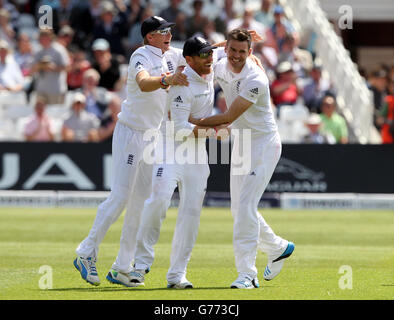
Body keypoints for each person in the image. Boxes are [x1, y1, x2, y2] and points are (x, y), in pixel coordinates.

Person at [73, 16, 189, 287]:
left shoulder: (170, 54)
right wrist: (168, 80)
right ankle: (86, 251)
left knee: (140, 202)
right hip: (131, 133)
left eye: (169, 30)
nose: (169, 34)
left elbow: (196, 53)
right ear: (150, 36)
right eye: (163, 31)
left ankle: (121, 267)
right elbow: (143, 81)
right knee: (121, 196)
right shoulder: (141, 54)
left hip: (152, 136)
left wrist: (228, 44)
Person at [189, 29, 294, 289]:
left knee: (245, 206)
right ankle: (278, 246)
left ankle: (247, 275)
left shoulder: (255, 78)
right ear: (226, 49)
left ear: (250, 53)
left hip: (264, 144)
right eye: (232, 50)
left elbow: (227, 118)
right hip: (242, 143)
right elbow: (199, 52)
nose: (236, 56)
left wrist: (192, 123)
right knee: (238, 209)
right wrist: (225, 42)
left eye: (242, 51)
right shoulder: (221, 62)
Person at [129, 37, 219, 289]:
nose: (210, 58)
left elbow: (230, 55)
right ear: (188, 60)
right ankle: (140, 265)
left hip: (197, 156)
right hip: (170, 149)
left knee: (191, 213)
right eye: (204, 55)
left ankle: (177, 274)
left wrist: (249, 53)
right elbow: (180, 130)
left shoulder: (210, 68)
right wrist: (217, 130)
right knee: (158, 201)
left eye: (210, 54)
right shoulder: (182, 83)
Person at [30, 28, 70, 105]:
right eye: (41, 37)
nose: (42, 39)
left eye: (45, 37)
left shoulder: (59, 49)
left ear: (50, 37)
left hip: (56, 90)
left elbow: (67, 67)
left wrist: (53, 68)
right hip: (41, 89)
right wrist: (40, 66)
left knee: (56, 115)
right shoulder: (37, 50)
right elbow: (31, 69)